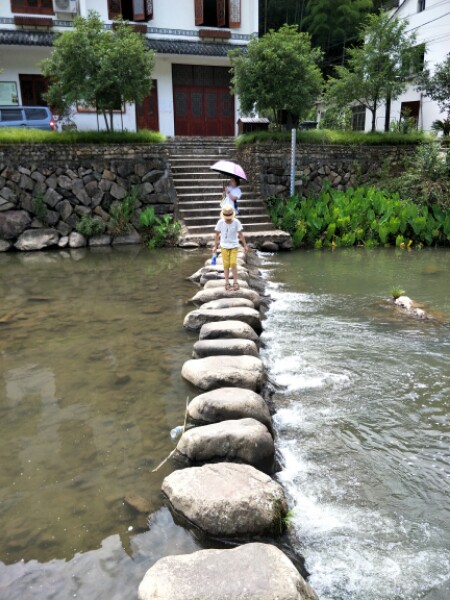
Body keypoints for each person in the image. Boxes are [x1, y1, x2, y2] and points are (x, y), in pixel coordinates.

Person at [213, 204, 248, 291]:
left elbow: (241, 234)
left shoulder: (236, 222)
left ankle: (235, 282)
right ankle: (227, 282)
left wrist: (245, 245)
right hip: (224, 246)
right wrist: (215, 246)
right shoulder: (220, 222)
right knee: (226, 265)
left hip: (234, 245)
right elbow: (217, 235)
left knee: (233, 263)